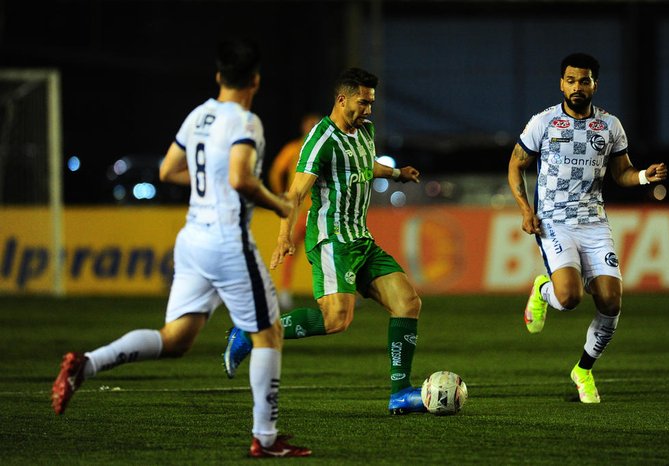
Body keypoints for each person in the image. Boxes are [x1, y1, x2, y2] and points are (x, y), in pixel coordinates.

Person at [50, 38, 311, 458]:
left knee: (176, 339)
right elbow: (242, 179)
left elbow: (167, 169)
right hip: (227, 240)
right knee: (269, 334)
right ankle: (265, 439)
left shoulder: (199, 116)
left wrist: (211, 181)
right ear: (255, 80)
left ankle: (87, 363)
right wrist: (281, 203)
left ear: (218, 77)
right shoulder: (246, 122)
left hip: (192, 240)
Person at [223, 67, 426, 415]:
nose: (368, 110)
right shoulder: (320, 138)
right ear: (342, 99)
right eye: (363, 103)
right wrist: (283, 237)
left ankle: (399, 392)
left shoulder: (365, 130)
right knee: (335, 321)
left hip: (361, 239)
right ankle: (250, 330)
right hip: (332, 240)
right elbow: (296, 191)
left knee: (408, 302)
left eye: (371, 103)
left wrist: (396, 173)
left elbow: (364, 164)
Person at [507, 52, 668, 403]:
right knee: (569, 297)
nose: (577, 87)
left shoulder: (610, 126)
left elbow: (620, 173)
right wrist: (525, 210)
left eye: (584, 80)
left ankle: (583, 370)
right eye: (570, 80)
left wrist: (643, 176)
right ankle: (543, 290)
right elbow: (515, 165)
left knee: (611, 302)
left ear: (595, 84)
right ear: (561, 83)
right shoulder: (544, 122)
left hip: (594, 223)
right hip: (555, 222)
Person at [267, 112, 321, 310]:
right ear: (303, 127)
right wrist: (280, 195)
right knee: (290, 250)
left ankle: (341, 291)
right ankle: (285, 292)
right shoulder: (294, 149)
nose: (312, 127)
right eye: (310, 124)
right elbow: (275, 170)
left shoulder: (323, 147)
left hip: (320, 210)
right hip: (299, 210)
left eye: (315, 124)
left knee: (329, 251)